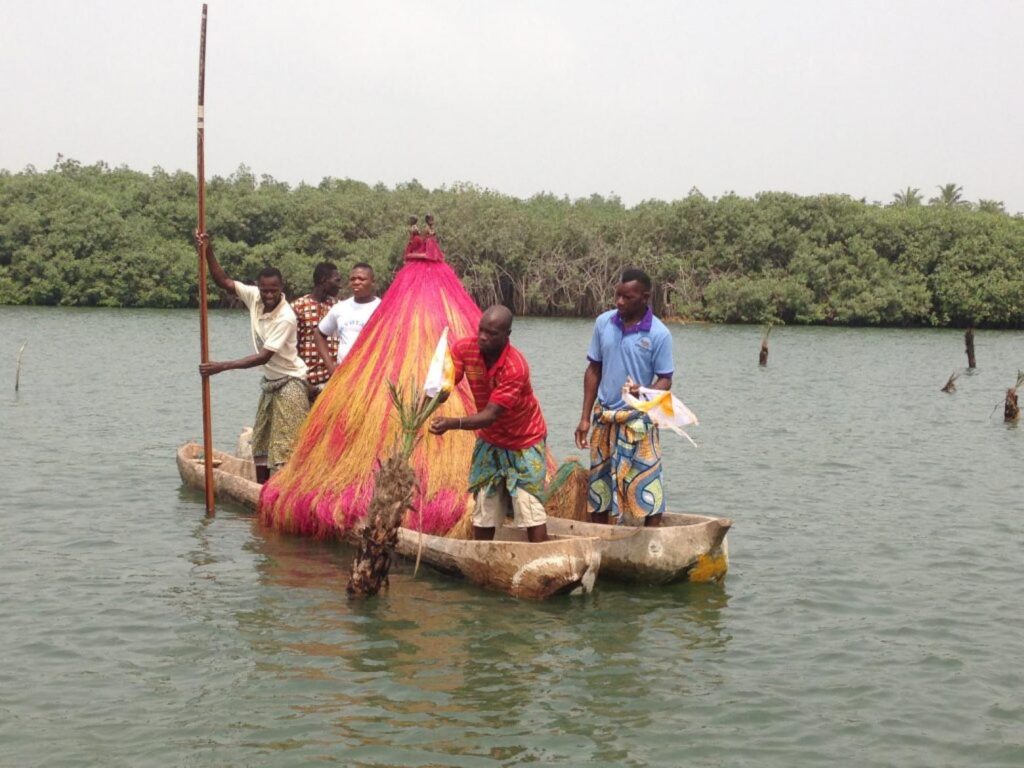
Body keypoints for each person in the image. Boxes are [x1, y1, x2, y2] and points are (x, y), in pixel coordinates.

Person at [194, 231, 309, 484]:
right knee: (261, 441)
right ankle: (260, 489)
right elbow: (223, 281)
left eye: (273, 290)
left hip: (291, 382)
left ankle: (285, 490)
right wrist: (207, 250)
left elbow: (264, 356)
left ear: (282, 289)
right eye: (265, 289)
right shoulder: (254, 296)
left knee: (285, 443)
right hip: (270, 382)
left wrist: (221, 366)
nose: (268, 294)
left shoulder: (286, 316)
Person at [429, 305, 549, 542]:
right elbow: (446, 384)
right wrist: (426, 403)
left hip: (524, 440)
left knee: (529, 507)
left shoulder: (515, 367)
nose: (483, 337)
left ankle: (541, 557)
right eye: (481, 330)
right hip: (491, 440)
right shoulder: (465, 348)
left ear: (507, 335)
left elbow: (490, 414)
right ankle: (482, 558)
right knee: (484, 507)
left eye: (491, 333)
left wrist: (451, 423)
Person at [574, 268, 675, 527]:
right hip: (605, 416)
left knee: (646, 484)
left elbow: (665, 378)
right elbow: (593, 369)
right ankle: (601, 539)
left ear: (645, 297)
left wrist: (643, 390)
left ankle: (652, 543)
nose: (619, 302)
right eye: (617, 295)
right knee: (600, 488)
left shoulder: (659, 334)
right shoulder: (604, 323)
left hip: (638, 419)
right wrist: (585, 417)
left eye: (627, 297)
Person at [314, 263, 381, 375]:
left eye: (362, 279)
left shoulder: (383, 308)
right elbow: (319, 334)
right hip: (344, 376)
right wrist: (331, 368)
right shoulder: (340, 308)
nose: (356, 282)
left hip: (373, 375)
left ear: (373, 282)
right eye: (352, 279)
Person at [291, 262, 341, 400]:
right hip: (306, 382)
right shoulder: (298, 307)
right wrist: (305, 384)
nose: (340, 285)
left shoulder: (338, 307)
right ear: (323, 280)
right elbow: (290, 348)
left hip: (333, 381)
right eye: (336, 280)